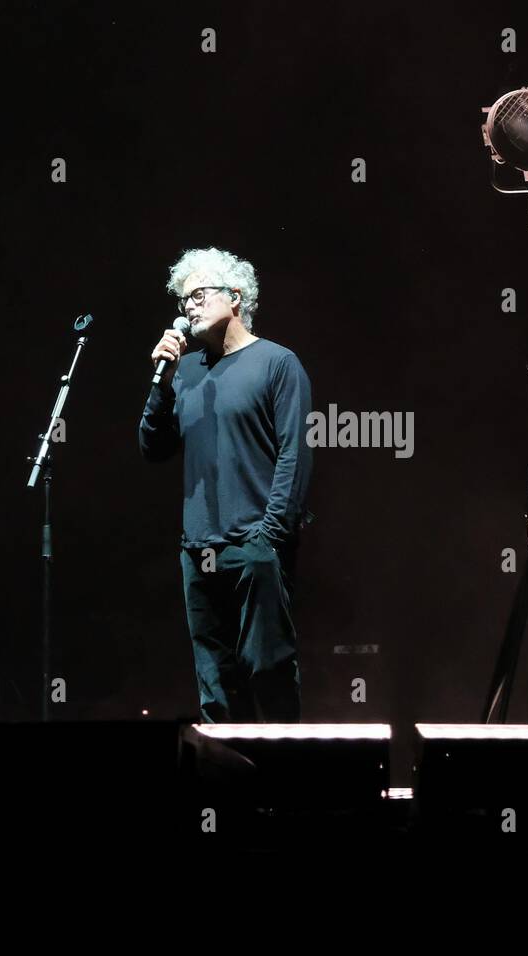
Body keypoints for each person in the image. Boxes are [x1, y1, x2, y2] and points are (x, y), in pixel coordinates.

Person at [139, 247, 313, 722]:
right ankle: (228, 790)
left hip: (255, 545)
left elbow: (294, 456)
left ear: (234, 297)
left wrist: (268, 539)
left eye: (198, 294)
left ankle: (284, 785)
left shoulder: (278, 363)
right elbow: (152, 447)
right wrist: (162, 382)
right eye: (183, 300)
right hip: (198, 550)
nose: (188, 307)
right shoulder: (186, 371)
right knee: (215, 682)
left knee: (267, 670)